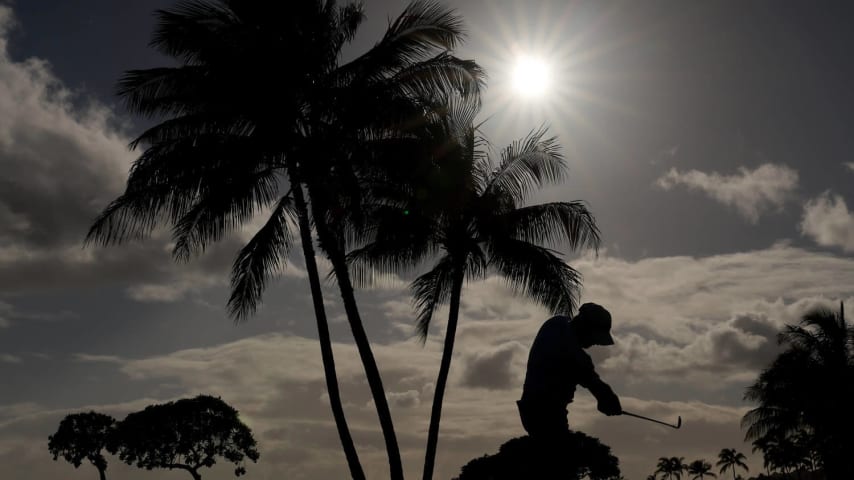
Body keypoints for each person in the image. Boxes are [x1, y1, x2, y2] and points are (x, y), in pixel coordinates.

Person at [517, 303, 622, 443]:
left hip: (531, 409)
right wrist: (607, 401)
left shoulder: (555, 323)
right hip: (546, 414)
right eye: (594, 337)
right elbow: (598, 387)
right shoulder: (576, 357)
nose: (595, 343)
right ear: (585, 327)